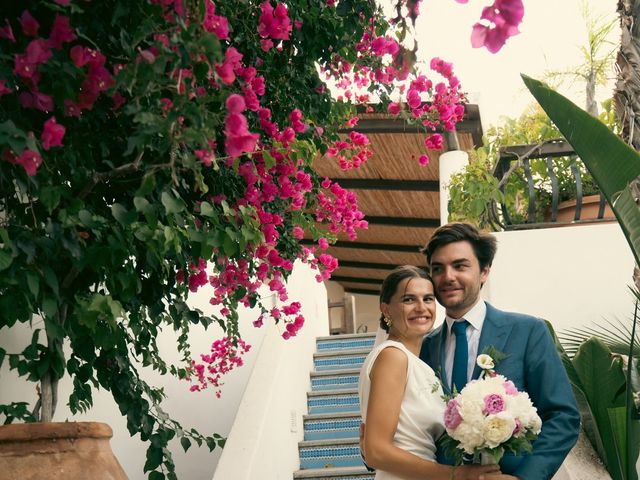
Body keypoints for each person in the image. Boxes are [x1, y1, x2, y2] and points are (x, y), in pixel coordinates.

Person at [419, 222, 580, 480]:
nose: (447, 277)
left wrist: (524, 478)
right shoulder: (424, 348)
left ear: (484, 271)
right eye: (437, 269)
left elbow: (563, 416)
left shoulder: (528, 331)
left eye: (460, 266)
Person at [358, 265, 501, 480]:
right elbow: (377, 452)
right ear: (386, 309)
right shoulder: (393, 357)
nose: (421, 307)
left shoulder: (416, 362)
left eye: (428, 298)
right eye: (408, 299)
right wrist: (459, 475)